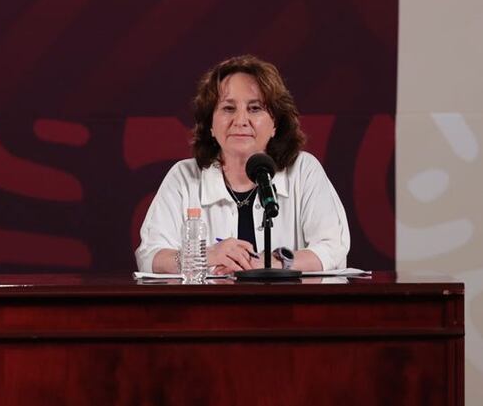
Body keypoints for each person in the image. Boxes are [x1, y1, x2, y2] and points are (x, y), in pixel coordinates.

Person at [135, 55, 349, 275]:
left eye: (255, 108)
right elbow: (150, 256)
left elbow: (333, 248)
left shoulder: (303, 170)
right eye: (228, 108)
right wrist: (204, 256)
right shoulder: (184, 176)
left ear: (275, 123)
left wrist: (274, 263)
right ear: (210, 124)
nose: (240, 120)